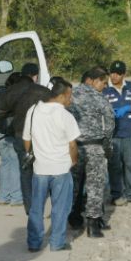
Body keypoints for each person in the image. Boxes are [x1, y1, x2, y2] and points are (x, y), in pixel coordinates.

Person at [23, 78, 81, 252]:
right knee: (60, 208)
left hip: (40, 169)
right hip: (61, 169)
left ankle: (34, 242)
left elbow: (27, 140)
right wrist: (74, 161)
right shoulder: (65, 115)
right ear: (62, 96)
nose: (71, 100)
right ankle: (57, 243)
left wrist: (35, 153)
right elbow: (72, 144)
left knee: (36, 208)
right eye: (70, 96)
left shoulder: (33, 111)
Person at [0, 62, 51, 214]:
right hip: (41, 136)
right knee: (42, 170)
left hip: (19, 134)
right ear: (35, 76)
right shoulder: (42, 91)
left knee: (25, 170)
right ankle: (41, 202)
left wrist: (8, 125)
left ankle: (30, 208)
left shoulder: (12, 90)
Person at [68, 67, 115, 237]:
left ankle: (73, 218)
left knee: (73, 185)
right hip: (95, 147)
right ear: (92, 80)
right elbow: (110, 124)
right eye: (103, 82)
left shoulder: (69, 95)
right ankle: (93, 226)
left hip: (73, 147)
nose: (104, 86)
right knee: (95, 186)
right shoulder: (99, 97)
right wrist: (108, 148)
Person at [103, 60, 131, 205]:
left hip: (128, 132)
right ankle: (116, 195)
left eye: (118, 73)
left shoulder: (130, 86)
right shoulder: (105, 89)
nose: (114, 76)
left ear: (124, 74)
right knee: (114, 165)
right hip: (113, 135)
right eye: (112, 73)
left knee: (129, 164)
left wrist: (127, 108)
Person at [0, 72, 24, 206]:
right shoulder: (16, 96)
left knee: (5, 163)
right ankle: (16, 197)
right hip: (10, 133)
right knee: (15, 163)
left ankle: (3, 196)